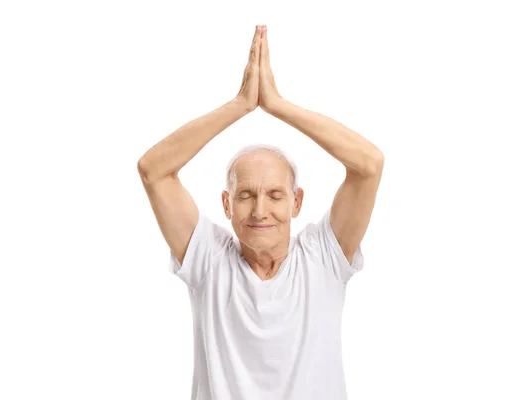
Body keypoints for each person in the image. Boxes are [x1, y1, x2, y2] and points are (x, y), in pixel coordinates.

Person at [137, 24, 384, 400]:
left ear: (297, 202)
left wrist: (277, 105)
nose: (260, 210)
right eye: (246, 195)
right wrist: (240, 105)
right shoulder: (208, 259)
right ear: (226, 204)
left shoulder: (323, 258)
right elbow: (153, 170)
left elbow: (369, 164)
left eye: (275, 195)